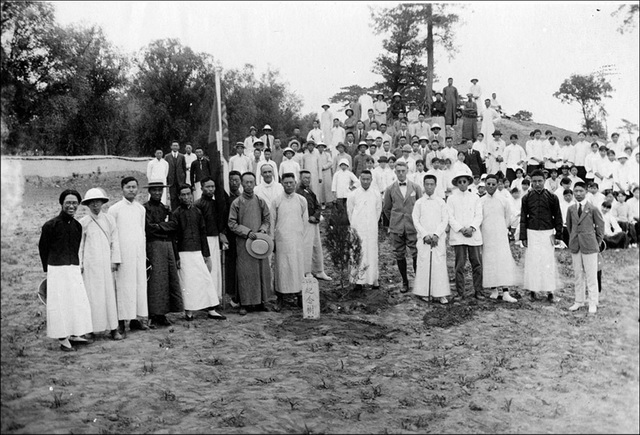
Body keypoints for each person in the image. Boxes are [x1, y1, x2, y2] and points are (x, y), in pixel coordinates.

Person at [39, 189, 94, 351]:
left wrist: (75, 265)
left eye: (75, 203)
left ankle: (75, 333)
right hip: (57, 269)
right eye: (68, 202)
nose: (71, 206)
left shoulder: (77, 226)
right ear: (61, 203)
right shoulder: (50, 225)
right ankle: (63, 338)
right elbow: (43, 248)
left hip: (73, 268)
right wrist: (49, 269)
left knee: (75, 301)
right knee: (61, 303)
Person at [172, 184, 225, 321]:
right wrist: (176, 256)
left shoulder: (197, 212)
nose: (186, 197)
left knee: (205, 279)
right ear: (179, 197)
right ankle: (189, 311)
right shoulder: (176, 214)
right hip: (184, 253)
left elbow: (202, 233)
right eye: (183, 194)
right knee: (188, 282)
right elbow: (174, 238)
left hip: (198, 252)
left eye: (188, 194)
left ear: (192, 195)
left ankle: (211, 309)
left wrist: (206, 255)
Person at [79, 188, 122, 340]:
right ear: (87, 204)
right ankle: (91, 329)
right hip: (91, 264)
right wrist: (80, 264)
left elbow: (115, 240)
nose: (95, 205)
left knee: (109, 295)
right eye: (92, 202)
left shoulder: (109, 220)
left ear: (103, 203)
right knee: (92, 296)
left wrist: (115, 260)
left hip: (106, 263)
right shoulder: (83, 222)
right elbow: (81, 246)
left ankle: (113, 328)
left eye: (98, 202)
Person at [108, 177, 149, 335]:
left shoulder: (140, 209)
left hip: (138, 254)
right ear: (122, 189)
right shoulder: (115, 209)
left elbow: (142, 232)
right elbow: (113, 235)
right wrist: (116, 257)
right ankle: (119, 322)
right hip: (123, 256)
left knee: (138, 286)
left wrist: (143, 253)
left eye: (134, 187)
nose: (131, 190)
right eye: (128, 187)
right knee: (123, 287)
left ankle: (134, 320)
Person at [228, 172, 273, 315]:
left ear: (255, 183)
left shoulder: (260, 201)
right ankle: (245, 303)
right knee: (245, 272)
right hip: (243, 243)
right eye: (246, 182)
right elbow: (232, 223)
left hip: (260, 243)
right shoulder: (236, 203)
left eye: (251, 182)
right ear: (242, 183)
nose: (248, 185)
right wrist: (247, 232)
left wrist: (262, 230)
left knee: (261, 271)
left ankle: (261, 302)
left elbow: (267, 219)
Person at [143, 181, 183, 328]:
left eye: (160, 191)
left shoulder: (165, 208)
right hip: (154, 246)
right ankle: (153, 314)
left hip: (168, 246)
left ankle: (163, 314)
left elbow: (174, 226)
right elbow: (149, 229)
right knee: (156, 281)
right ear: (150, 192)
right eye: (154, 191)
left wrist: (160, 226)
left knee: (167, 280)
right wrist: (162, 227)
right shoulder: (145, 208)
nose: (157, 193)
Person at [519, 170, 563, 302]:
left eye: (540, 181)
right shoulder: (526, 198)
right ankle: (533, 290)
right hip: (531, 232)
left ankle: (550, 291)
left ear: (545, 181)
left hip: (547, 232)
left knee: (547, 261)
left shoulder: (552, 197)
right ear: (531, 182)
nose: (537, 184)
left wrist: (558, 235)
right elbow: (523, 218)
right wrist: (523, 237)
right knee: (533, 261)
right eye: (534, 181)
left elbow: (558, 217)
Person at [383, 161, 422, 292]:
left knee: (416, 253)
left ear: (407, 171)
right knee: (399, 254)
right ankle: (405, 282)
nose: (400, 173)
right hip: (397, 227)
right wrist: (396, 220)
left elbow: (420, 207)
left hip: (412, 226)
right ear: (395, 172)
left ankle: (419, 281)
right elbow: (387, 209)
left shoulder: (416, 188)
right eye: (398, 171)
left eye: (403, 171)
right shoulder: (390, 189)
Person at [271, 173, 308, 311]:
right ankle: (280, 298)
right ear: (282, 184)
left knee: (298, 267)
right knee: (282, 267)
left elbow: (305, 221)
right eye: (286, 183)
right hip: (281, 240)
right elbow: (272, 222)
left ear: (295, 183)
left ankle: (299, 296)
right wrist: (272, 239)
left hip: (297, 239)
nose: (289, 185)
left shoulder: (301, 200)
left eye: (291, 183)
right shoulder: (276, 201)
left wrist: (303, 238)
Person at [411, 174, 450, 304]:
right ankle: (424, 292)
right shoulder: (419, 203)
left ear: (435, 185)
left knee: (439, 264)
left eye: (431, 184)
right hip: (424, 239)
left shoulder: (441, 202)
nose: (429, 187)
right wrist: (425, 235)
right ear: (423, 185)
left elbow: (445, 220)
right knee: (424, 263)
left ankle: (440, 293)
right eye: (427, 184)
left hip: (437, 239)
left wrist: (436, 234)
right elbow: (416, 220)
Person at [566, 182, 604, 314]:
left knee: (591, 275)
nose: (578, 194)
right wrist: (574, 240)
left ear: (586, 192)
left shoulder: (592, 208)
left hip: (589, 246)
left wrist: (595, 242)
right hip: (576, 245)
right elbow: (570, 228)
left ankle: (593, 302)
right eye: (576, 191)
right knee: (578, 274)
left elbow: (600, 227)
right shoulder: (571, 209)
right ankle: (579, 300)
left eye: (581, 191)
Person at [480, 175, 519, 303]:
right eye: (488, 184)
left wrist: (503, 229)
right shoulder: (481, 201)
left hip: (500, 234)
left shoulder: (504, 200)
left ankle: (506, 291)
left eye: (493, 184)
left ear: (497, 185)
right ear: (485, 184)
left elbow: (508, 217)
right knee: (490, 260)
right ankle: (494, 289)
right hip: (487, 234)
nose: (491, 186)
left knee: (503, 260)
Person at [447, 171, 484, 300]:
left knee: (477, 264)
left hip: (473, 235)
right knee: (459, 265)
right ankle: (460, 292)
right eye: (460, 182)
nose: (462, 184)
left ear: (468, 183)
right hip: (459, 235)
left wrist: (472, 228)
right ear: (457, 184)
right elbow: (450, 217)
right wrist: (461, 229)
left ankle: (478, 291)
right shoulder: (451, 198)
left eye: (464, 181)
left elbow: (479, 215)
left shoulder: (475, 197)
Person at [195, 177, 229, 303]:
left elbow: (220, 222)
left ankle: (215, 298)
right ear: (202, 188)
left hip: (215, 239)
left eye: (212, 187)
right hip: (204, 240)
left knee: (215, 270)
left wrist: (221, 234)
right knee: (206, 270)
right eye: (208, 187)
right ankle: (205, 300)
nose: (210, 189)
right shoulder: (198, 204)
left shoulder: (216, 204)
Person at [297, 170, 331, 281]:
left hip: (313, 222)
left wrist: (315, 216)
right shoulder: (298, 192)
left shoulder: (310, 191)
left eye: (309, 178)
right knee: (306, 247)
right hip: (304, 223)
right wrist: (308, 217)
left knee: (317, 246)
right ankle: (307, 271)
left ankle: (319, 270)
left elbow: (317, 205)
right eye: (305, 178)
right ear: (300, 178)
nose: (307, 180)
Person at [224, 171, 242, 306]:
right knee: (230, 265)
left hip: (241, 235)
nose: (234, 183)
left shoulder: (242, 198)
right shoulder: (225, 198)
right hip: (229, 235)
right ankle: (231, 294)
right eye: (231, 180)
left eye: (236, 180)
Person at [165, 141, 187, 211]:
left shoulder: (182, 156)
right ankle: (174, 212)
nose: (175, 147)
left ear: (179, 147)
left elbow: (184, 168)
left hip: (180, 180)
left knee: (180, 196)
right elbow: (166, 168)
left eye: (176, 145)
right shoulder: (167, 156)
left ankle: (181, 211)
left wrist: (183, 180)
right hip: (171, 180)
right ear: (171, 147)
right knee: (173, 197)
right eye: (174, 145)